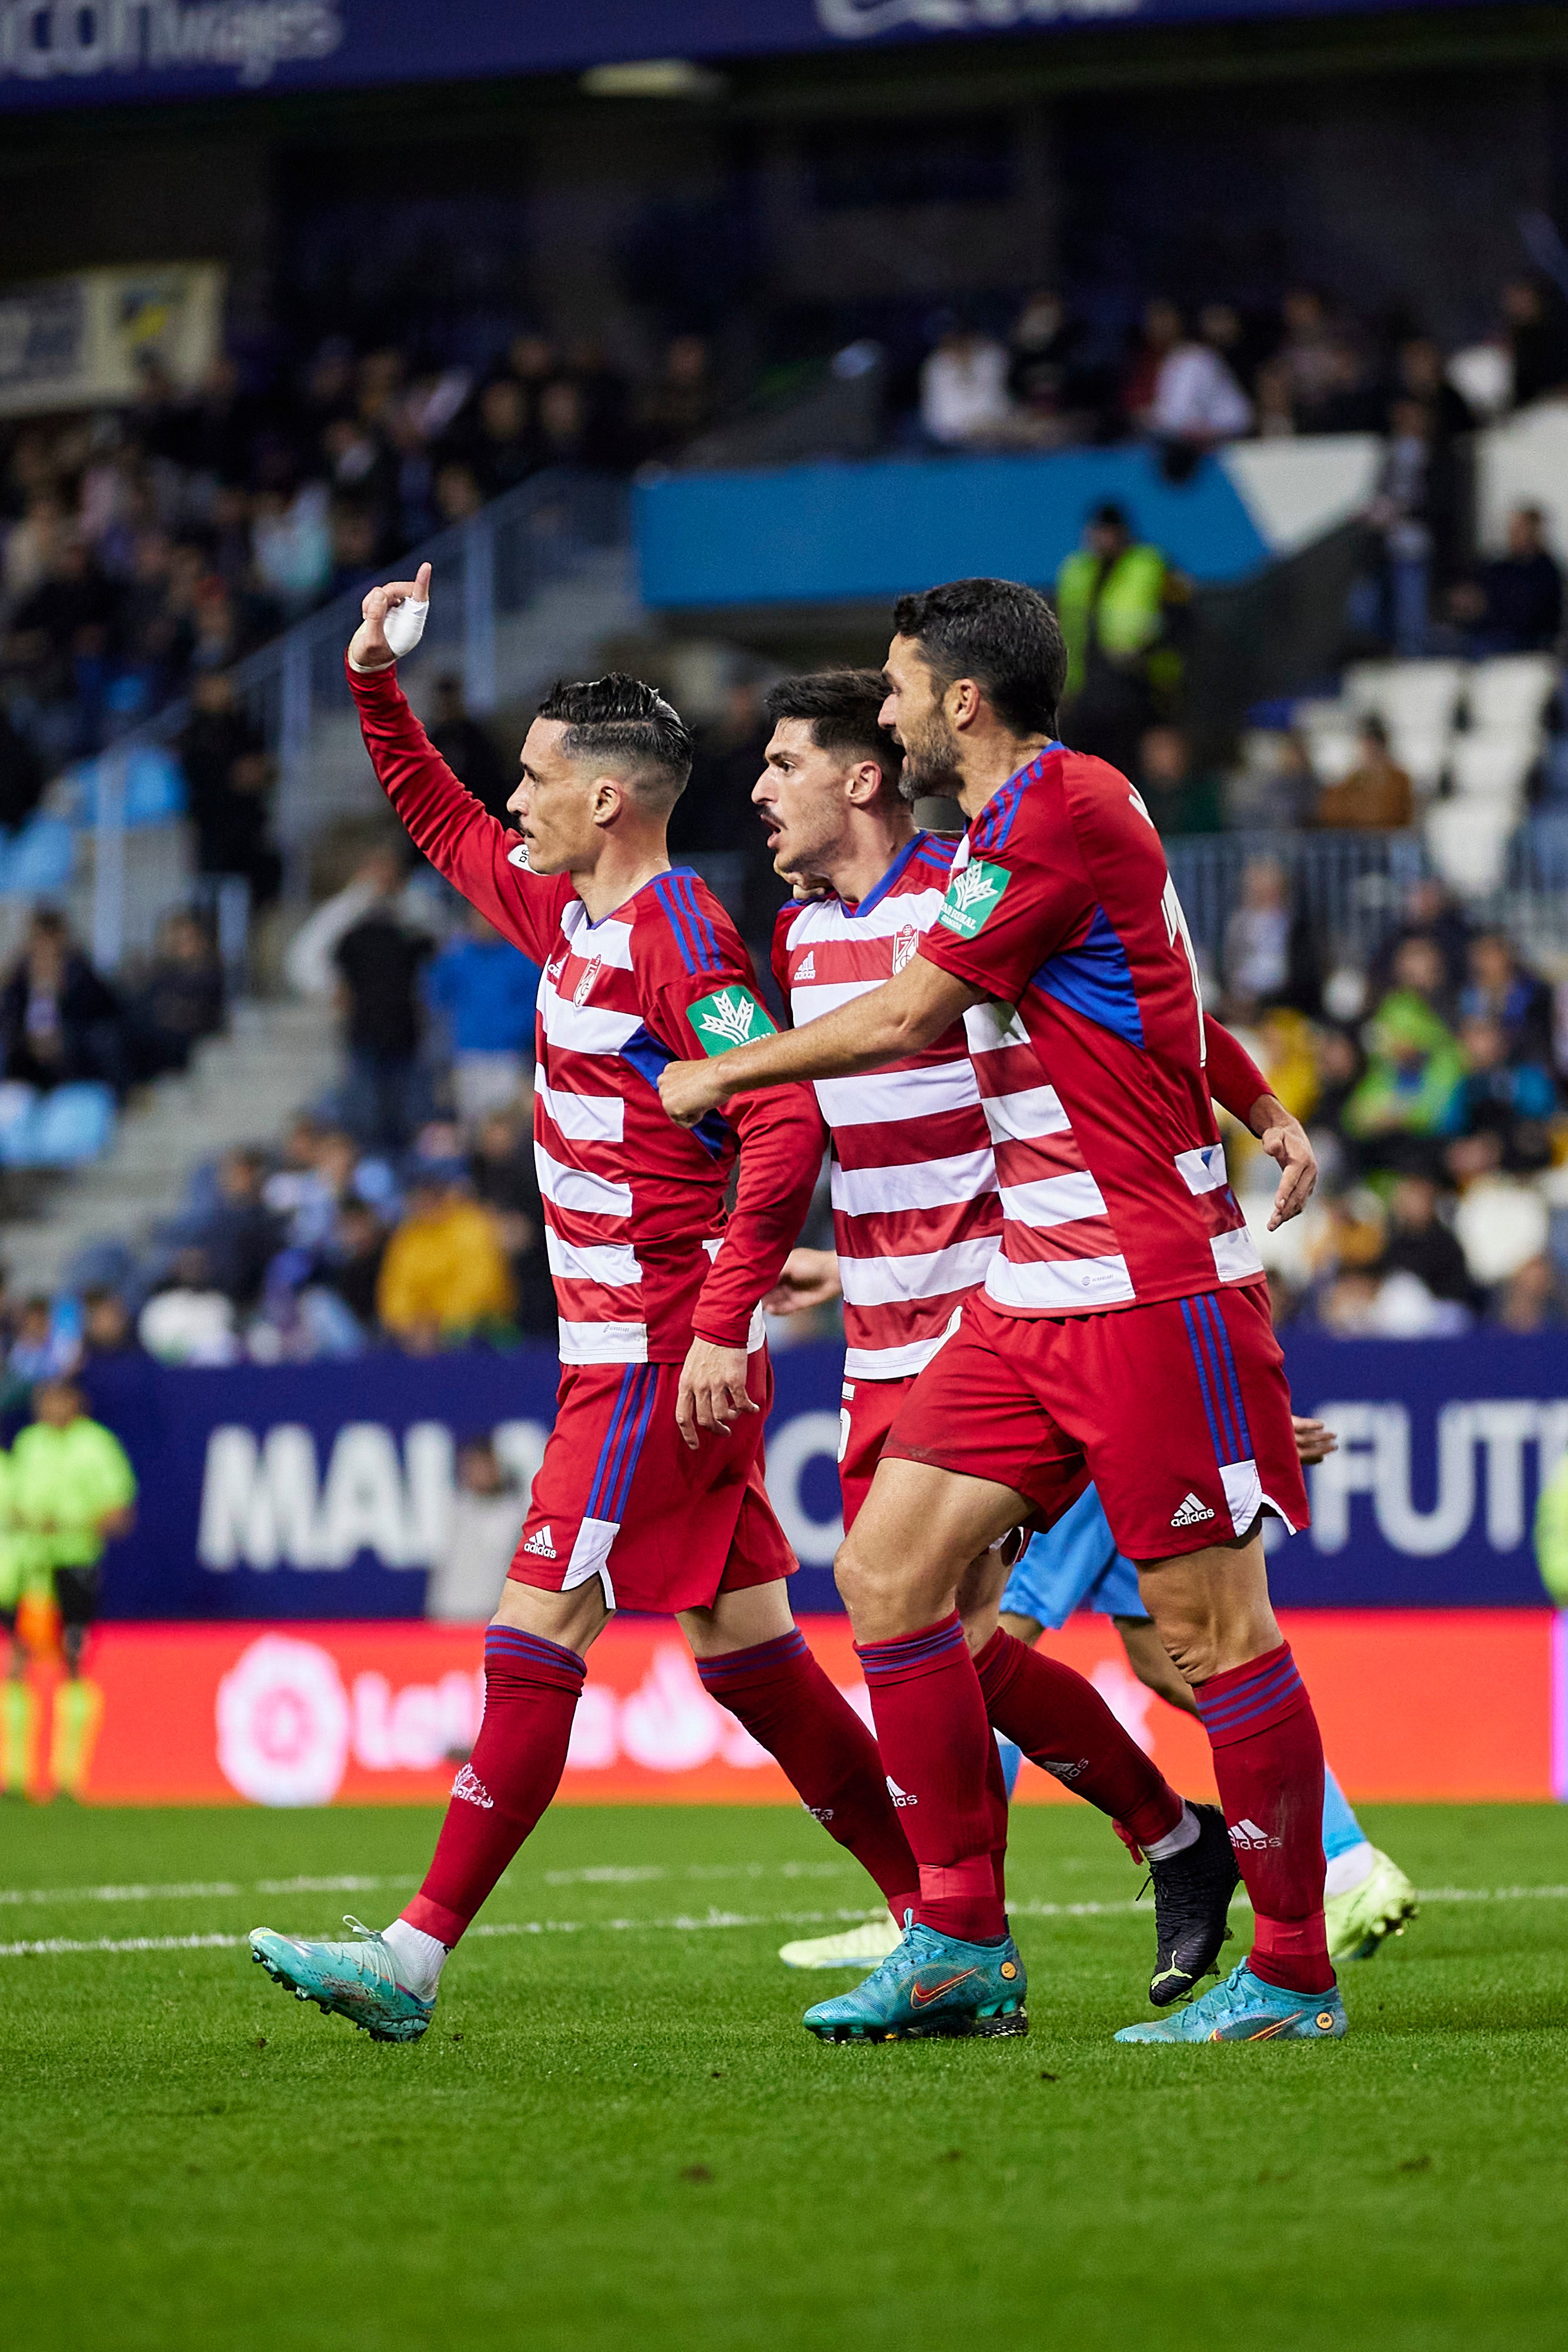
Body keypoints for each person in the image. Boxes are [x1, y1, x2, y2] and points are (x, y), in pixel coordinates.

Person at [249, 563, 934, 2043]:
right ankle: (932, 1914)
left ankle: (413, 1954)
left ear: (612, 802)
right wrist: (374, 679)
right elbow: (436, 817)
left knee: (535, 1623)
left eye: (538, 776)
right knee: (750, 1654)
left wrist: (717, 1319)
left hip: (649, 1358)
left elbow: (785, 1122)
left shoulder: (682, 937)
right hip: (638, 1352)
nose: (513, 797)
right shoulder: (573, 924)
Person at [661, 576, 1339, 2047]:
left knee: (1213, 1632)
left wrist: (731, 1069)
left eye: (899, 686)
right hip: (1032, 1287)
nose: (885, 706)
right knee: (894, 1574)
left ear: (961, 701)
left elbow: (915, 1015)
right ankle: (961, 1935)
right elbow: (1156, 989)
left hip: (1150, 1280)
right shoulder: (1016, 830)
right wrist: (1260, 1094)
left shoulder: (1054, 807)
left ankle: (1290, 1965)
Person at [9, 1377, 136, 1797]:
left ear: (76, 1403)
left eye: (58, 1399)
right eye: (44, 1400)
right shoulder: (29, 1444)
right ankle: (16, 1776)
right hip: (33, 1569)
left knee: (75, 1662)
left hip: (76, 1564)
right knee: (18, 1662)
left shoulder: (96, 1446)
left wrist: (69, 1524)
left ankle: (70, 1776)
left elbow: (120, 1515)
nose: (49, 1408)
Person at [1054, 505, 1181, 781]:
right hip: (1087, 692)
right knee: (1088, 774)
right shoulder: (1076, 571)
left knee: (1137, 775)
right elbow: (1068, 630)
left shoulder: (1150, 564)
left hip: (1137, 685)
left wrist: (1148, 652)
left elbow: (1180, 621)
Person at [376, 1157, 516, 1350]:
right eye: (418, 1193)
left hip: (473, 1325)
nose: (424, 1200)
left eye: (431, 1192)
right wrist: (408, 1324)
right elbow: (395, 1290)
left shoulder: (471, 1225)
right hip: (418, 1332)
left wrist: (439, 1324)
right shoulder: (407, 1236)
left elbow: (482, 1286)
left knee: (470, 1335)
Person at [423, 907, 541, 1125]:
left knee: (507, 1125)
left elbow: (537, 1007)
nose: (483, 923)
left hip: (509, 1056)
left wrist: (513, 1032)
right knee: (471, 1126)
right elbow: (434, 994)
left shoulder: (521, 959)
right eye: (477, 917)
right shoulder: (458, 956)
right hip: (468, 1055)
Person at [427, 1435, 529, 1623]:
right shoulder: (454, 1508)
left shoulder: (514, 1515)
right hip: (449, 1615)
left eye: (485, 1466)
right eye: (473, 1466)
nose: (479, 1473)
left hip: (490, 1616)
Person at [1314, 717, 1414, 832]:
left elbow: (1398, 816)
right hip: (1359, 841)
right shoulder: (1352, 780)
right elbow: (1332, 814)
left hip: (1387, 840)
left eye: (1373, 747)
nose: (1369, 752)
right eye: (1366, 746)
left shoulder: (1398, 779)